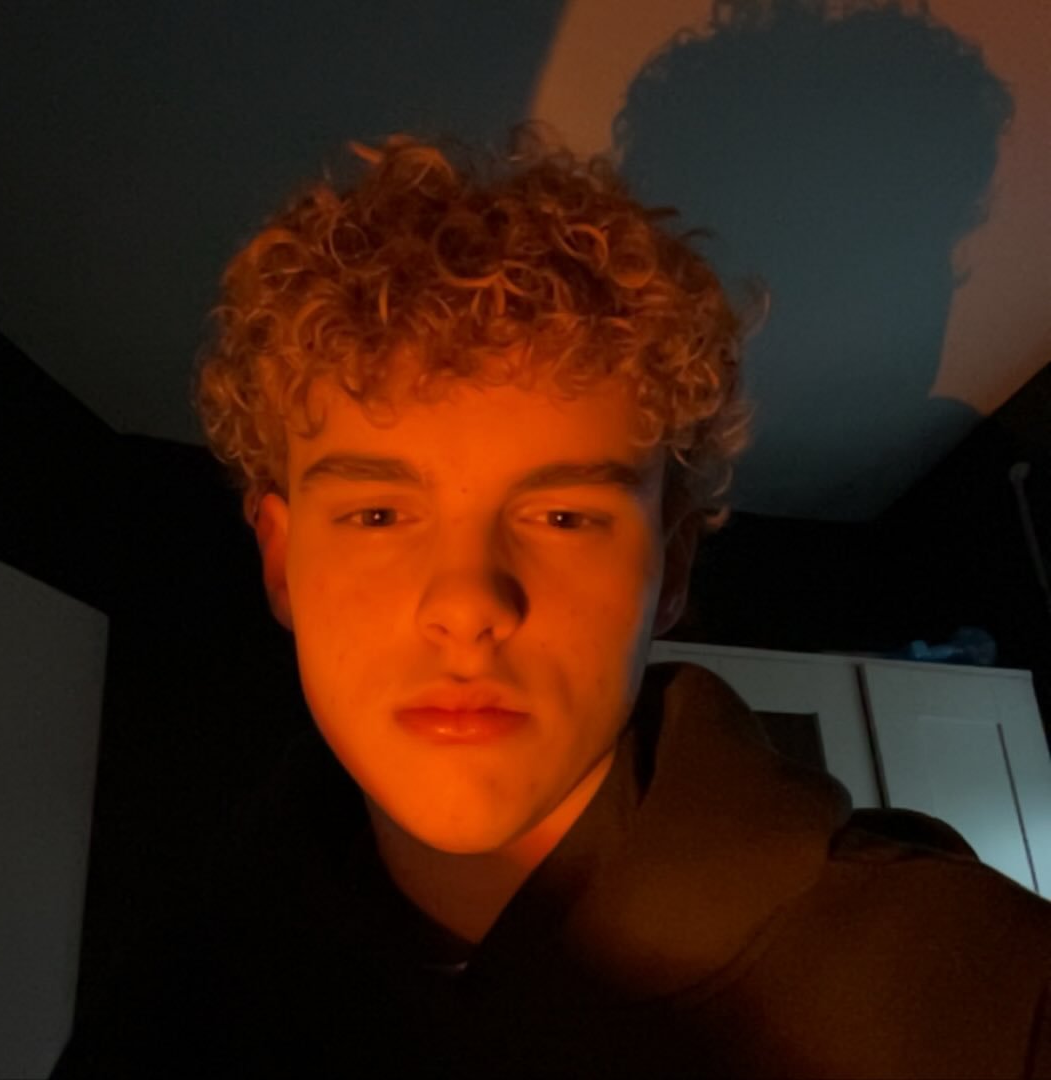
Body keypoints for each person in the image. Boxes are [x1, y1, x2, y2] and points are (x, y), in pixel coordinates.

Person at [52, 127, 1051, 1078]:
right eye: (378, 515)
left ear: (672, 569)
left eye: (564, 517)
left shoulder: (997, 993)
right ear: (280, 562)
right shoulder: (160, 1026)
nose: (466, 603)